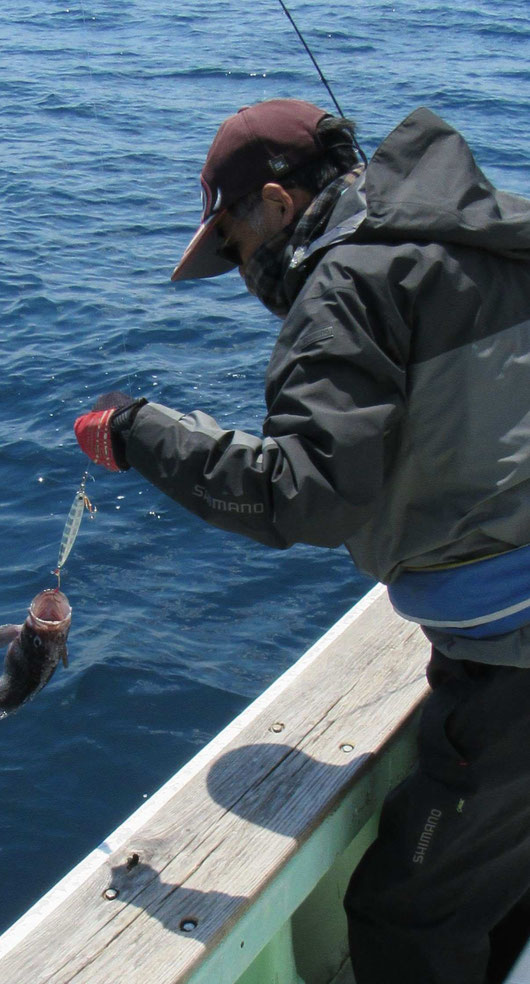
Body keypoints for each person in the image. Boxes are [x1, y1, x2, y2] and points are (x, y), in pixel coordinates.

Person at [73, 98, 530, 983]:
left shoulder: (349, 285)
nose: (248, 278)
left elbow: (305, 498)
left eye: (238, 247)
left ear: (280, 207)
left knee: (407, 918)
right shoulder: (488, 232)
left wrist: (143, 434)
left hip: (515, 668)